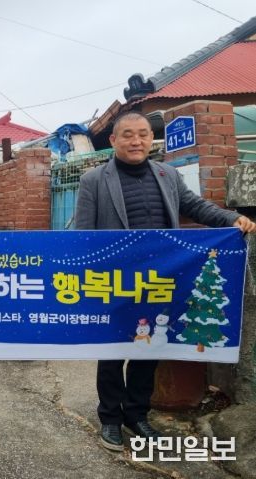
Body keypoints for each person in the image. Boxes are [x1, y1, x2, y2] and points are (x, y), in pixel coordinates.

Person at [74, 111, 256, 451]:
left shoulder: (167, 174)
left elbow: (196, 207)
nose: (136, 141)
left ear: (150, 139)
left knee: (149, 348)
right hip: (114, 280)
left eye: (143, 134)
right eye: (128, 134)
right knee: (111, 352)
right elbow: (83, 234)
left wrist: (232, 218)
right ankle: (110, 418)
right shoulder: (94, 180)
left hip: (159, 279)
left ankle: (136, 415)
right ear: (113, 140)